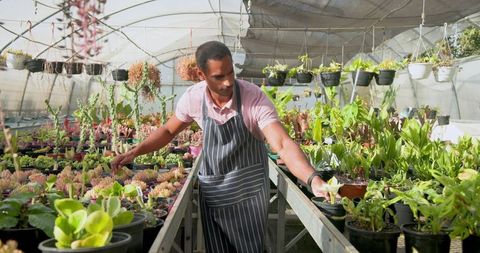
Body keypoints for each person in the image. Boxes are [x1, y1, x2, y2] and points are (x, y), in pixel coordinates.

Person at [111, 41, 328, 253]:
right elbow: (168, 131)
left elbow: (282, 143)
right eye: (218, 77)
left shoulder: (253, 98)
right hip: (214, 192)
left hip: (249, 194)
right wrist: (135, 151)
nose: (227, 82)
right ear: (201, 75)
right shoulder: (194, 98)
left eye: (230, 73)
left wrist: (313, 179)